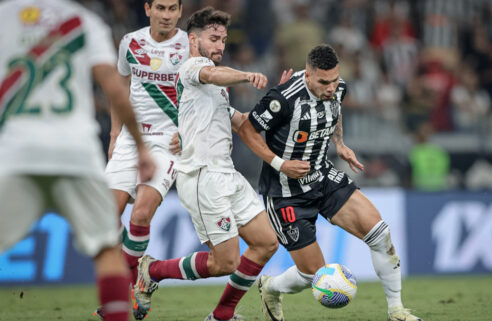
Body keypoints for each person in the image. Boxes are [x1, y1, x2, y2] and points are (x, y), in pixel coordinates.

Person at [238, 44, 424, 321]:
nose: (330, 87)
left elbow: (334, 112)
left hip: (323, 177)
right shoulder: (282, 98)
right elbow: (247, 130)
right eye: (324, 82)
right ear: (308, 74)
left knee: (381, 235)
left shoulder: (338, 88)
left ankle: (396, 311)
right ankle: (271, 287)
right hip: (285, 193)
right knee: (313, 275)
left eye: (335, 80)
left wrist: (339, 143)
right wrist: (281, 164)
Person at [132, 7, 294, 321]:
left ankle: (222, 315)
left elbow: (243, 123)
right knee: (225, 262)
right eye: (214, 38)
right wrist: (247, 74)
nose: (220, 45)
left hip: (227, 174)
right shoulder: (193, 68)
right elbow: (211, 73)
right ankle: (153, 271)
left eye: (223, 40)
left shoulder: (215, 89)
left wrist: (278, 98)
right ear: (194, 39)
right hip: (202, 176)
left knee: (266, 243)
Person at [0, 1, 156, 321]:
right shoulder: (83, 21)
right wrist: (141, 147)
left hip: (16, 151)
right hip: (76, 150)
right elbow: (114, 87)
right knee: (106, 249)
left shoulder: (3, 18)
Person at [103, 1, 188, 317]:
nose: (166, 15)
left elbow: (202, 92)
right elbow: (119, 88)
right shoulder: (130, 42)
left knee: (139, 216)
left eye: (172, 8)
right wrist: (114, 136)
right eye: (161, 7)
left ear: (180, 11)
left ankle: (127, 292)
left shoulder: (189, 46)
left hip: (168, 144)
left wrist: (187, 131)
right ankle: (142, 266)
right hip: (130, 140)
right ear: (148, 8)